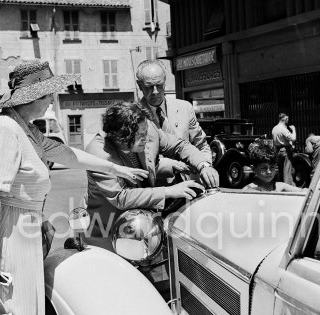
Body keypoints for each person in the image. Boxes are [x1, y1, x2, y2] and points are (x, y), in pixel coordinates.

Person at [0, 60, 148, 315]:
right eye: (47, 96)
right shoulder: (4, 130)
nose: (51, 102)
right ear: (29, 97)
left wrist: (115, 167)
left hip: (20, 233)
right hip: (3, 238)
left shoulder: (26, 130)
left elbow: (66, 154)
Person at [84, 100, 219, 250]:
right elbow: (121, 197)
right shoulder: (98, 154)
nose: (147, 138)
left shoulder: (148, 130)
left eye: (146, 132)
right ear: (121, 137)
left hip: (146, 227)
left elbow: (179, 145)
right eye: (141, 136)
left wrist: (204, 165)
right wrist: (169, 191)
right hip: (107, 231)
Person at [136, 59, 212, 178]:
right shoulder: (134, 116)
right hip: (158, 190)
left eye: (159, 85)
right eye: (149, 87)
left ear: (165, 82)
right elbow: (138, 163)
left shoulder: (185, 107)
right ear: (139, 86)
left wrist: (206, 167)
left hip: (191, 184)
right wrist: (170, 166)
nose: (155, 92)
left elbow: (201, 145)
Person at [271, 113, 296, 185]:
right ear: (285, 119)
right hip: (285, 150)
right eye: (287, 119)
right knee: (287, 170)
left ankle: (280, 186)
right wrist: (294, 130)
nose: (288, 121)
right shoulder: (283, 128)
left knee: (281, 170)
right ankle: (288, 187)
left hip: (278, 151)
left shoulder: (274, 128)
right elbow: (293, 138)